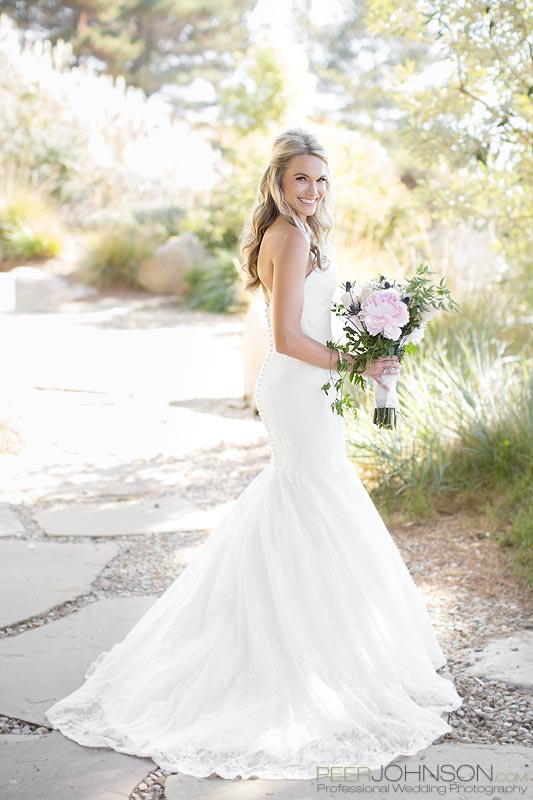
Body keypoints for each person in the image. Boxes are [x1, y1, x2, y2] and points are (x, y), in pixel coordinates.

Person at [45, 127, 463, 781]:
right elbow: (288, 338)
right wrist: (358, 360)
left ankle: (319, 646)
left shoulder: (302, 233)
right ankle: (287, 657)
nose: (313, 189)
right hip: (298, 386)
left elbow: (315, 320)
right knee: (311, 499)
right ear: (277, 181)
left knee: (305, 501)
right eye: (301, 178)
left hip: (309, 387)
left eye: (321, 179)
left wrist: (370, 321)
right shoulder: (290, 236)